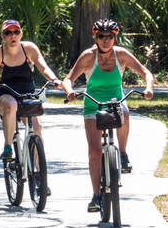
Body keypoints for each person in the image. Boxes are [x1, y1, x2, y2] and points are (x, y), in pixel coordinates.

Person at [62, 18, 153, 212]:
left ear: (115, 37)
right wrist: (69, 91)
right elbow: (68, 79)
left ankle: (122, 153)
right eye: (101, 36)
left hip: (115, 101)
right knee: (94, 152)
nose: (106, 40)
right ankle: (96, 195)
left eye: (110, 36)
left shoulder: (121, 55)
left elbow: (146, 72)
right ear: (95, 37)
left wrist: (148, 88)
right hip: (93, 104)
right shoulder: (88, 56)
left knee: (125, 112)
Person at [0, 19, 61, 164]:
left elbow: (43, 67)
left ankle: (39, 172)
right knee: (11, 105)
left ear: (21, 34)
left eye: (16, 32)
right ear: (3, 36)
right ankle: (7, 146)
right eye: (8, 33)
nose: (13, 36)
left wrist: (54, 79)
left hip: (27, 95)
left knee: (36, 128)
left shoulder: (29, 48)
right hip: (5, 95)